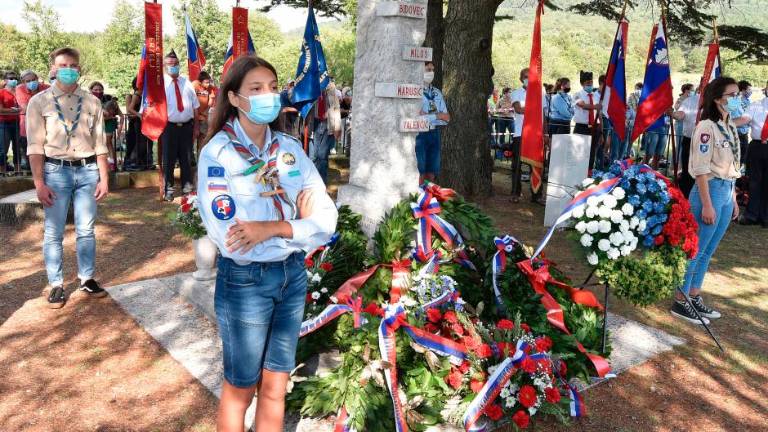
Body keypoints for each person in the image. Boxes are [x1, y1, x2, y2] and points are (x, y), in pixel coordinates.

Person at [197, 55, 337, 432]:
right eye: (256, 89)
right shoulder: (218, 154)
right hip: (246, 283)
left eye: (273, 88)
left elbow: (326, 221)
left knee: (276, 388)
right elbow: (233, 239)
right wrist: (298, 222)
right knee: (241, 389)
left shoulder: (290, 149)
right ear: (234, 98)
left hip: (292, 276)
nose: (268, 96)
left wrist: (272, 228)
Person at [26, 47, 110, 309]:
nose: (68, 69)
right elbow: (35, 147)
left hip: (87, 171)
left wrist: (104, 178)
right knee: (54, 231)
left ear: (79, 69)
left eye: (73, 65)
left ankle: (87, 278)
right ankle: (56, 284)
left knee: (86, 229)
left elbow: (100, 144)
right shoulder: (39, 102)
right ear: (53, 68)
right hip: (55, 172)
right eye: (62, 65)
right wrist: (39, 183)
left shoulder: (93, 102)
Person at [671, 77, 741, 325]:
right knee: (696, 249)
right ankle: (680, 300)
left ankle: (694, 295)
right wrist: (708, 204)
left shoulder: (729, 125)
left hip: (726, 189)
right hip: (709, 190)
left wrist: (733, 198)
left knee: (708, 250)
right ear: (718, 98)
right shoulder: (706, 127)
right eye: (732, 95)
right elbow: (700, 169)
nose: (737, 99)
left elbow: (733, 165)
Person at [160, 50, 200, 201]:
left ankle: (187, 188)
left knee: (187, 159)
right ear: (164, 66)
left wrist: (196, 126)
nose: (174, 66)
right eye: (170, 64)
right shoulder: (160, 84)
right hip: (168, 127)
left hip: (187, 127)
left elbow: (195, 107)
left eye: (176, 63)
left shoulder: (187, 82)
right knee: (168, 160)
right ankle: (169, 190)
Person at [510, 68, 546, 204]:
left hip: (536, 134)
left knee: (536, 166)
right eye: (525, 76)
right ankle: (515, 193)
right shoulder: (516, 93)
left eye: (529, 76)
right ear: (521, 79)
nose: (527, 79)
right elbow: (519, 109)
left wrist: (545, 133)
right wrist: (534, 107)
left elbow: (543, 115)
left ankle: (537, 195)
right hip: (520, 133)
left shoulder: (541, 93)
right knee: (516, 165)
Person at [416, 61, 450, 185]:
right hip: (420, 133)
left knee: (432, 170)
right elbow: (416, 117)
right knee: (420, 170)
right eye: (428, 69)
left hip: (434, 132)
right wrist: (437, 115)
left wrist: (428, 116)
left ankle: (429, 194)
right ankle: (419, 195)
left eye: (432, 70)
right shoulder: (415, 91)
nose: (431, 73)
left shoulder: (437, 92)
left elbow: (447, 118)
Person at [738, 90, 768, 227]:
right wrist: (724, 122)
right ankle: (752, 215)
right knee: (754, 181)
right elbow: (744, 119)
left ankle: (766, 217)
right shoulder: (756, 105)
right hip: (757, 146)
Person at [16, 70, 50, 174]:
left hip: (47, 129)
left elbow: (53, 106)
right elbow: (25, 108)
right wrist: (44, 109)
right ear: (23, 82)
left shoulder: (47, 88)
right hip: (27, 129)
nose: (31, 82)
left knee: (47, 156)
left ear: (37, 78)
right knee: (31, 156)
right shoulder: (20, 89)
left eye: (33, 79)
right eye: (28, 81)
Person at [310, 80, 341, 182]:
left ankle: (321, 181)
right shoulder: (313, 87)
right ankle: (315, 180)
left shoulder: (331, 88)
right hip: (315, 123)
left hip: (327, 124)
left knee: (322, 156)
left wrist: (337, 127)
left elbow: (336, 108)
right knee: (315, 155)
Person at [88, 82, 121, 171]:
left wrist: (119, 125)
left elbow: (118, 113)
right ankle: (97, 165)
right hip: (94, 125)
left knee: (107, 143)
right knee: (95, 144)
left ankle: (112, 164)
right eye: (96, 90)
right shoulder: (88, 100)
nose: (98, 91)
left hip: (108, 125)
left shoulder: (108, 98)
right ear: (91, 90)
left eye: (100, 89)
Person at [574, 71, 602, 171]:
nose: (590, 84)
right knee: (579, 151)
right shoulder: (577, 94)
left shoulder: (596, 96)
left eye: (591, 82)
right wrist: (595, 107)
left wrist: (601, 130)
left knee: (592, 151)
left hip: (595, 127)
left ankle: (589, 171)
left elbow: (599, 114)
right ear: (582, 84)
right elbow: (582, 105)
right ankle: (578, 171)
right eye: (587, 83)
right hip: (582, 127)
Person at [124, 77, 152, 170]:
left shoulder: (145, 94)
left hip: (144, 123)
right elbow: (129, 110)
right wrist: (139, 115)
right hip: (136, 123)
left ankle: (144, 162)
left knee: (145, 143)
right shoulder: (136, 95)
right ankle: (133, 162)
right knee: (137, 143)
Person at [0, 71, 21, 174]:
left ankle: (18, 172)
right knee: (3, 149)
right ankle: (2, 173)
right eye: (11, 78)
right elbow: (0, 109)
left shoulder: (19, 91)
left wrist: (18, 110)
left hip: (18, 123)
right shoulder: (1, 92)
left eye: (15, 78)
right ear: (5, 80)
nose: (14, 80)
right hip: (4, 124)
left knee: (18, 149)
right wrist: (15, 111)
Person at [194, 71, 217, 153]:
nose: (208, 84)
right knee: (191, 140)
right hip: (193, 117)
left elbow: (211, 101)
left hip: (203, 118)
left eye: (209, 82)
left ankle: (201, 157)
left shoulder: (210, 88)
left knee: (202, 140)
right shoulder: (194, 85)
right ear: (200, 82)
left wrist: (204, 113)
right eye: (206, 82)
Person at [734, 80, 752, 166]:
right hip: (735, 133)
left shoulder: (748, 101)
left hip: (744, 133)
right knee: (735, 156)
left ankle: (741, 170)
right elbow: (732, 117)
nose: (750, 92)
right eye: (749, 89)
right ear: (743, 90)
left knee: (744, 156)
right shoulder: (733, 101)